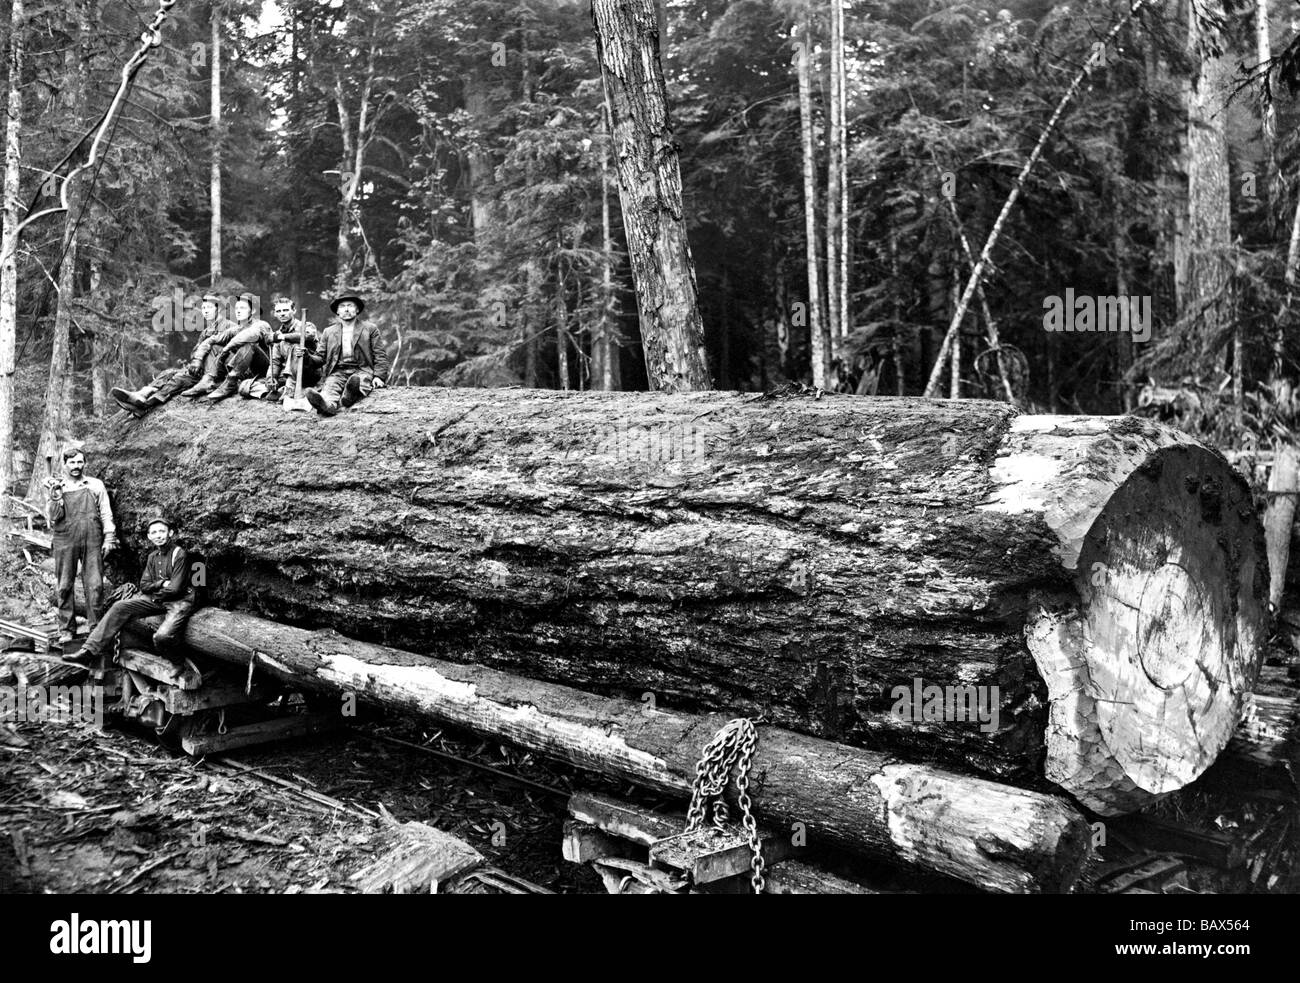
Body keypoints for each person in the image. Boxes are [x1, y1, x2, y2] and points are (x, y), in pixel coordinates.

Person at [66, 512, 197, 665]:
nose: (158, 535)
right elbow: (144, 585)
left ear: (170, 533)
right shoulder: (153, 557)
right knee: (119, 607)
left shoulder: (179, 554)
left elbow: (175, 588)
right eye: (154, 532)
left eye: (162, 531)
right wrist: (161, 584)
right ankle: (89, 650)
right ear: (149, 536)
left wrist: (155, 591)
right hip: (158, 598)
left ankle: (178, 663)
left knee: (162, 637)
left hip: (179, 601)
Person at [110, 293, 229, 416]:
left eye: (209, 307)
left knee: (178, 380)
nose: (205, 311)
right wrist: (196, 361)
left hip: (215, 372)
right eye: (203, 308)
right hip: (201, 369)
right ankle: (141, 395)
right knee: (168, 374)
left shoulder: (228, 326)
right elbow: (195, 351)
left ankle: (144, 405)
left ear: (218, 308)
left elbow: (225, 351)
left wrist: (201, 361)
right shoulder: (205, 331)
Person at [45, 447, 117, 645]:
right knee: (65, 585)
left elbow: (105, 512)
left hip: (92, 538)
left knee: (95, 586)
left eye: (80, 462)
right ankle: (67, 629)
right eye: (72, 463)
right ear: (65, 464)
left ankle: (96, 628)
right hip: (64, 539)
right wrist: (55, 497)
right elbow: (52, 517)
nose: (76, 466)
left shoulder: (95, 485)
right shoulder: (58, 486)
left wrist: (110, 536)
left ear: (84, 463)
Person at [303, 292, 388, 416]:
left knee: (359, 381)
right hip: (338, 371)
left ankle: (350, 396)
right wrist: (307, 356)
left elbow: (380, 355)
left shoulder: (370, 329)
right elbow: (320, 358)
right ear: (337, 312)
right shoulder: (329, 332)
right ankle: (328, 406)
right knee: (330, 387)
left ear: (357, 310)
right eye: (342, 306)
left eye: (350, 306)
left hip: (362, 370)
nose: (346, 309)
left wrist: (379, 376)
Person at [241, 295, 321, 401]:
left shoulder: (307, 326)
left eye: (286, 310)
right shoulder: (277, 334)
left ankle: (289, 391)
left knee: (296, 347)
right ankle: (278, 391)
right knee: (245, 386)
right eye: (279, 311)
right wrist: (271, 379)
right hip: (287, 375)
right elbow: (275, 361)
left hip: (309, 373)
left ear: (294, 310)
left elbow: (305, 336)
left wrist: (280, 337)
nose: (282, 313)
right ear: (275, 314)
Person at [202, 292, 275, 401]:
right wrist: (198, 359)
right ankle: (210, 379)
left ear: (253, 311)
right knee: (215, 346)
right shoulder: (236, 329)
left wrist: (227, 349)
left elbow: (249, 335)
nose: (238, 311)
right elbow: (213, 339)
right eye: (236, 308)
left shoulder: (261, 324)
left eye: (243, 308)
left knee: (249, 344)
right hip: (246, 370)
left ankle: (231, 381)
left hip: (267, 368)